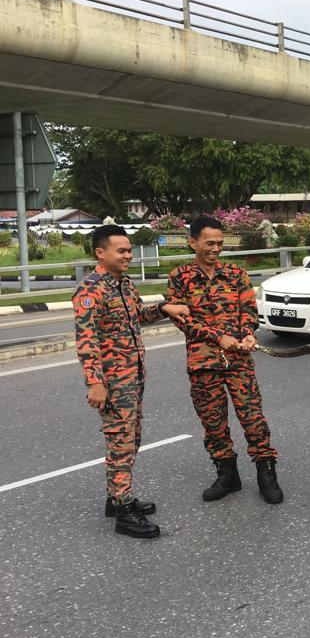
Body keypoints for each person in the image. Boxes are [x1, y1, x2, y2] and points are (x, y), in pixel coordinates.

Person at [72, 225, 190, 538]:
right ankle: (124, 511)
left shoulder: (123, 284)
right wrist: (95, 382)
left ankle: (117, 498)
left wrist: (164, 308)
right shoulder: (90, 290)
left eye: (129, 250)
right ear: (100, 253)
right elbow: (86, 340)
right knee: (120, 442)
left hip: (133, 375)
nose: (128, 255)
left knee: (131, 438)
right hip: (113, 381)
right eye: (121, 250)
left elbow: (138, 315)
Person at [166, 215, 283, 505]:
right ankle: (227, 474)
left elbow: (249, 310)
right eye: (209, 243)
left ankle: (266, 473)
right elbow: (183, 320)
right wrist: (218, 337)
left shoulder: (236, 274)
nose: (216, 248)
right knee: (213, 423)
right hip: (203, 363)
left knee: (253, 419)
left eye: (220, 243)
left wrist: (248, 334)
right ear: (193, 242)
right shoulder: (179, 277)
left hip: (239, 360)